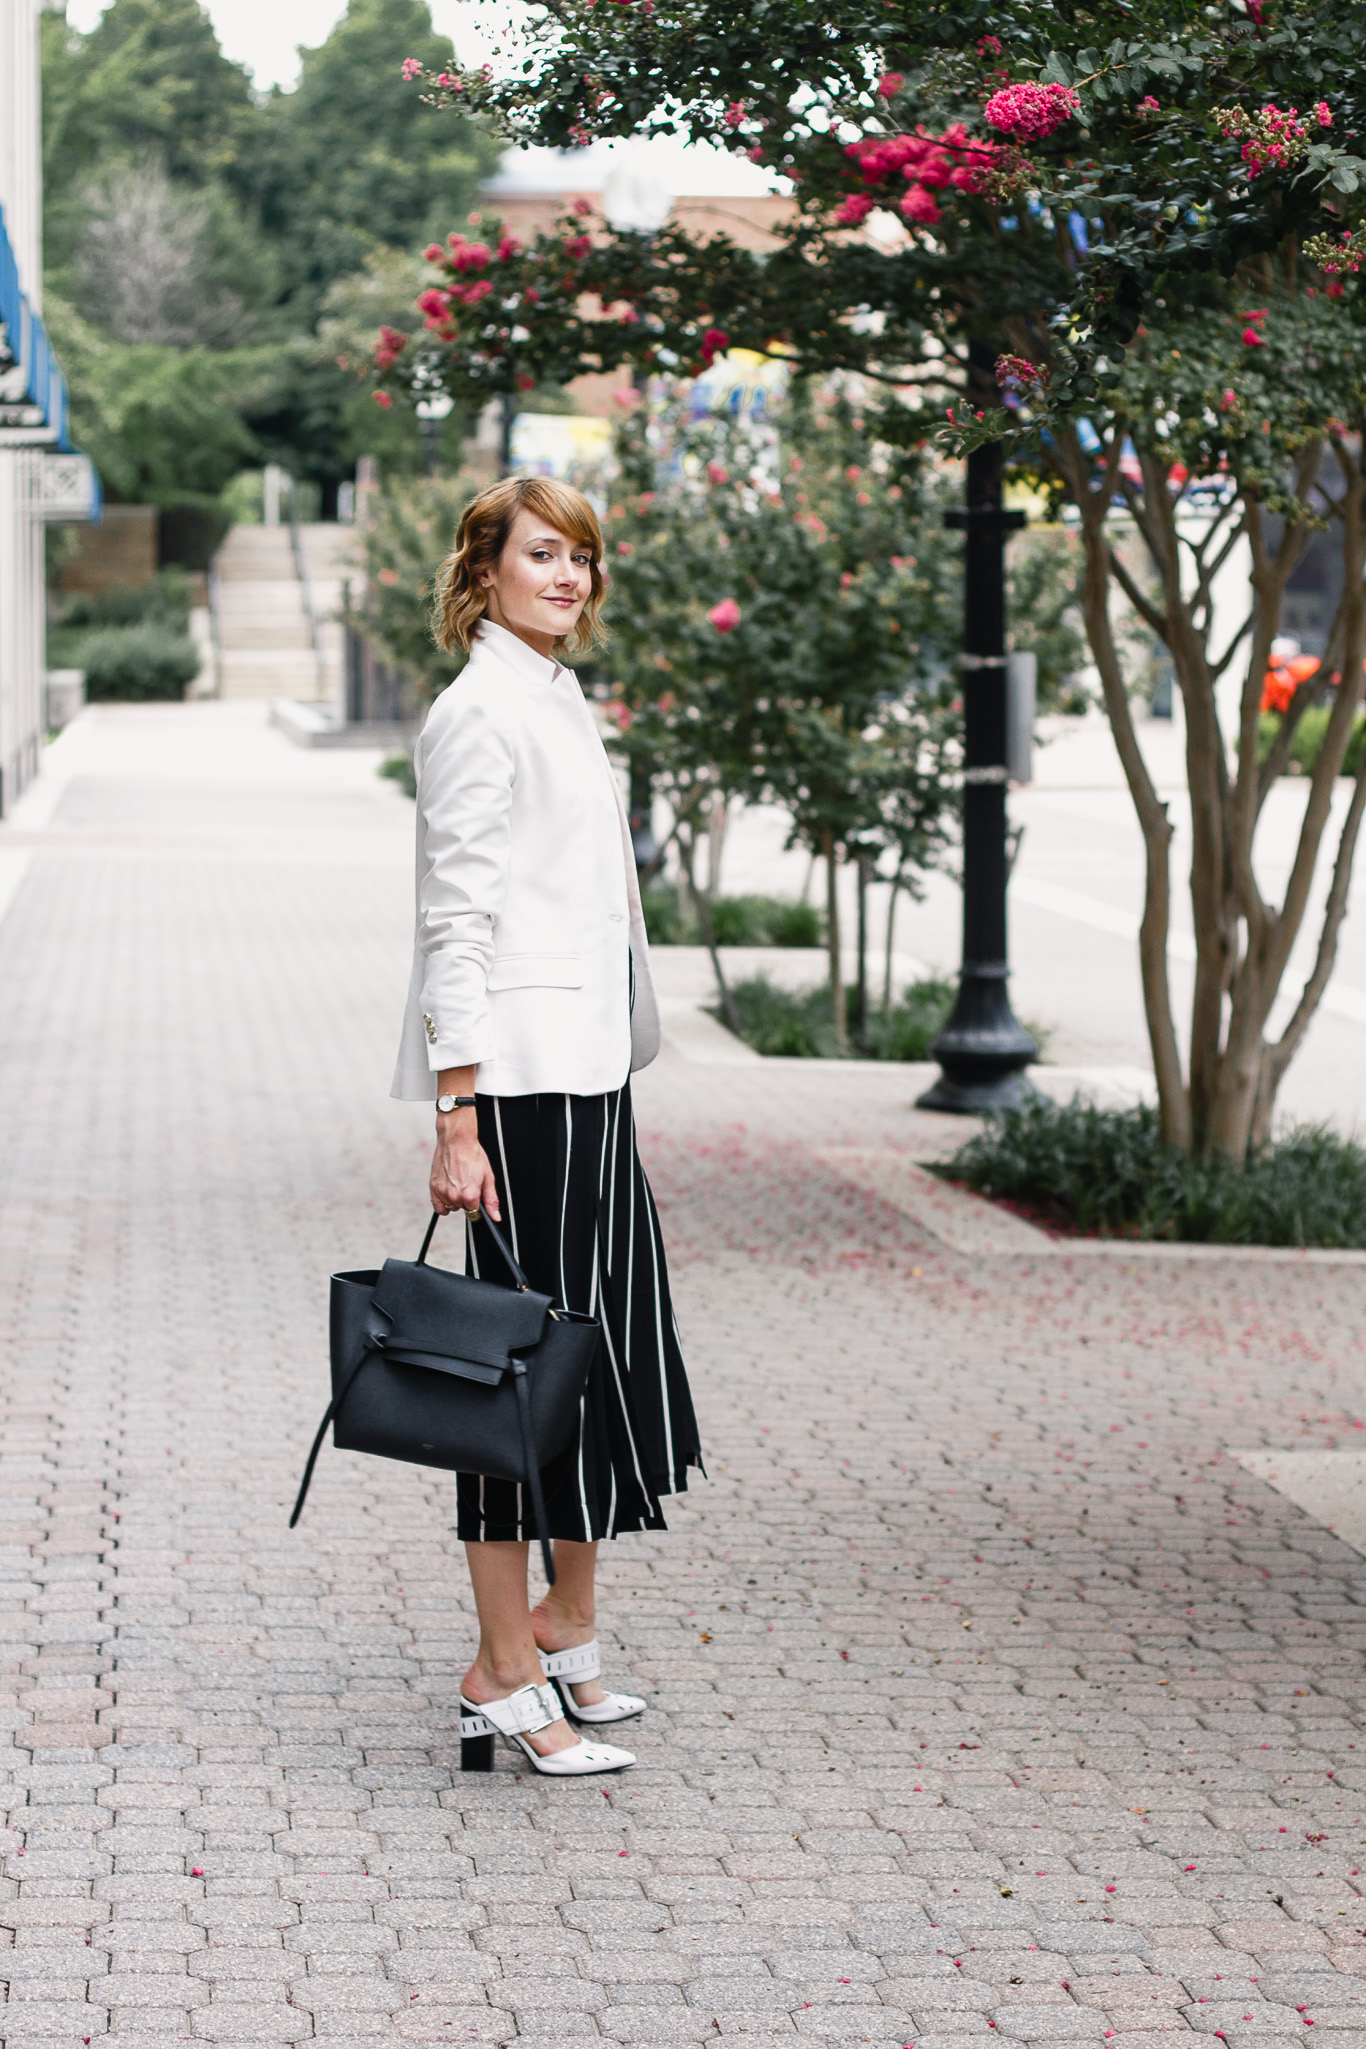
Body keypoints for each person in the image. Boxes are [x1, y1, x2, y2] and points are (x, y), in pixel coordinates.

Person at [391, 475, 702, 1777]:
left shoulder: (552, 697)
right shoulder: (479, 716)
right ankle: (500, 1668)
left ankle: (563, 1625)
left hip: (584, 1076)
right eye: (540, 554)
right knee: (515, 1381)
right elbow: (452, 920)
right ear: (486, 571)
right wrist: (455, 1114)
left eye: (579, 555)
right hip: (514, 1088)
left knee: (601, 1356)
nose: (567, 575)